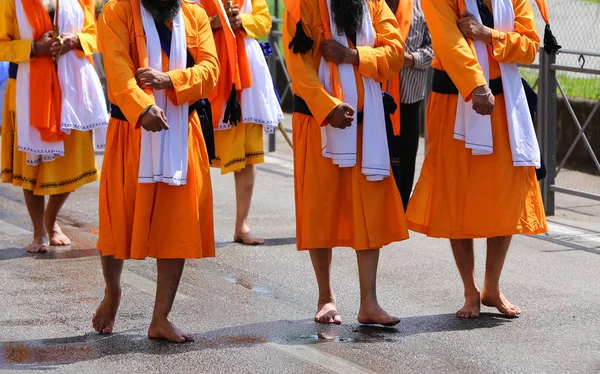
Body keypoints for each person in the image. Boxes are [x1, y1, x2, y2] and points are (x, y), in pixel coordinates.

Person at [406, 0, 551, 318]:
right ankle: (470, 291)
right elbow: (450, 42)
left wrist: (488, 34)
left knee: (506, 195)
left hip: (505, 103)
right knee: (459, 195)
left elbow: (528, 47)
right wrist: (476, 87)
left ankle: (492, 287)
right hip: (456, 100)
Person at [93, 0, 219, 342]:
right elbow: (119, 73)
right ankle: (113, 290)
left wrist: (170, 80)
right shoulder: (117, 12)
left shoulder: (194, 15)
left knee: (177, 222)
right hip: (131, 129)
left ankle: (161, 318)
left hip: (182, 129)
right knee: (118, 217)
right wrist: (143, 107)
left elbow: (211, 69)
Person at [283, 0, 409, 326]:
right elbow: (299, 67)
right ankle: (326, 297)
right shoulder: (304, 7)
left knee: (368, 211)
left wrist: (353, 56)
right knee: (321, 207)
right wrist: (327, 107)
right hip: (319, 124)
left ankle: (369, 302)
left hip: (369, 126)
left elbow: (395, 52)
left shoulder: (373, 4)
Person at [0, 0, 108, 253]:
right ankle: (39, 231)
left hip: (72, 91)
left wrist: (75, 41)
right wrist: (33, 48)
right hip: (26, 91)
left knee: (73, 161)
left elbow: (95, 35)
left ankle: (51, 219)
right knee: (31, 166)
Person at [202, 0, 282, 245]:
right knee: (198, 154)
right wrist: (214, 22)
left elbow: (264, 22)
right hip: (210, 67)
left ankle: (242, 225)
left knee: (248, 157)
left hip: (247, 74)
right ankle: (195, 224)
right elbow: (184, 22)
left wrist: (241, 21)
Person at [383, 0, 433, 210]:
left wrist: (410, 58)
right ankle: (378, 209)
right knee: (376, 154)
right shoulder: (373, 5)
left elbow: (434, 48)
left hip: (409, 96)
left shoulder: (424, 6)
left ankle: (400, 210)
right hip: (376, 94)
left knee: (406, 155)